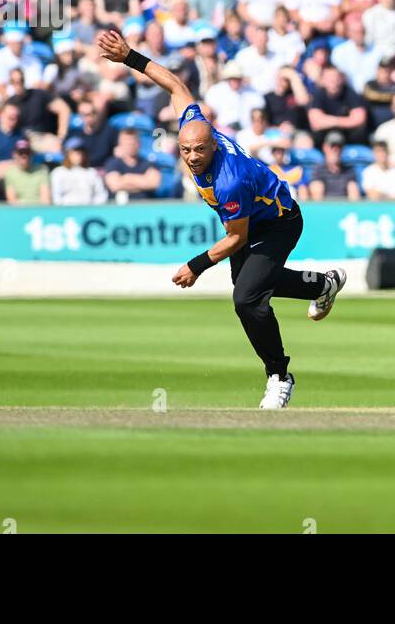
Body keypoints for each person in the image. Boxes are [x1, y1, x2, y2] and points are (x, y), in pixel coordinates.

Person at [97, 27, 343, 409]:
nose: (192, 157)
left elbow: (236, 239)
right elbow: (176, 86)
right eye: (185, 150)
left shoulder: (230, 181)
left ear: (213, 142)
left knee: (246, 299)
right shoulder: (193, 125)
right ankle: (321, 285)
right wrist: (131, 56)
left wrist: (196, 265)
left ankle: (279, 376)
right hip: (254, 219)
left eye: (199, 150)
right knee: (254, 284)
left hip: (278, 222)